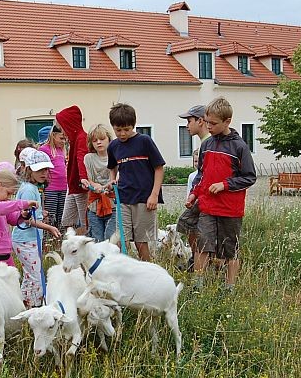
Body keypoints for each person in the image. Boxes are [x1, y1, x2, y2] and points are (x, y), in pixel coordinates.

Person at [185, 96, 256, 291]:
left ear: (227, 122)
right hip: (207, 206)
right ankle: (198, 285)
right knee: (202, 244)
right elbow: (201, 174)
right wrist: (194, 193)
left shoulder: (239, 147)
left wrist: (225, 185)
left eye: (213, 123)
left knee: (230, 249)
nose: (209, 126)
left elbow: (249, 177)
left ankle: (229, 288)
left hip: (230, 209)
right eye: (207, 122)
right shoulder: (206, 145)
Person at [107, 103, 165, 262]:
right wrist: (112, 180)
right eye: (118, 130)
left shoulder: (144, 141)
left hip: (144, 199)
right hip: (124, 198)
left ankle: (147, 271)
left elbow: (159, 168)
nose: (122, 133)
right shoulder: (113, 146)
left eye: (126, 129)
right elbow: (112, 167)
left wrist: (154, 195)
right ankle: (125, 270)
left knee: (141, 241)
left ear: (133, 125)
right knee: (121, 240)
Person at [12, 150, 61, 307]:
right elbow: (28, 219)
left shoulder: (32, 188)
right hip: (25, 239)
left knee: (31, 275)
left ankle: (25, 304)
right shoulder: (29, 190)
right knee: (36, 276)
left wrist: (41, 213)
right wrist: (49, 227)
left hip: (31, 239)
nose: (44, 173)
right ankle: (35, 306)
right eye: (39, 170)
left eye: (46, 169)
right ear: (29, 170)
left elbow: (32, 213)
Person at [176, 105, 210, 261]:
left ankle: (198, 258)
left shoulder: (208, 143)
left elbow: (206, 174)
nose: (186, 125)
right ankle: (196, 257)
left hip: (206, 196)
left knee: (188, 223)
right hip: (200, 194)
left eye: (189, 121)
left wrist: (197, 194)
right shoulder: (204, 143)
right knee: (186, 223)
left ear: (200, 121)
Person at [55, 105, 89, 233]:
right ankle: (72, 240)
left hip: (80, 187)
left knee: (85, 222)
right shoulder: (73, 141)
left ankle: (86, 241)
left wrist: (83, 178)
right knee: (67, 221)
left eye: (62, 128)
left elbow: (82, 159)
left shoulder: (81, 138)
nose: (62, 132)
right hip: (73, 186)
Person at [80, 124, 116, 242]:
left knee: (111, 239)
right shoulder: (88, 158)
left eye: (102, 139)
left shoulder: (115, 156)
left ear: (109, 139)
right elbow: (90, 179)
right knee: (96, 240)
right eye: (95, 140)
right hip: (95, 205)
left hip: (113, 204)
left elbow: (116, 178)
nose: (98, 142)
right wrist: (95, 185)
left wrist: (108, 186)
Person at [38, 125, 68, 231]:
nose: (63, 141)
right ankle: (49, 235)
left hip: (63, 188)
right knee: (50, 216)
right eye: (61, 138)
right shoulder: (44, 149)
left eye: (65, 139)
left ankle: (60, 236)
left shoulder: (62, 150)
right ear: (53, 135)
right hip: (51, 188)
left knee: (62, 216)